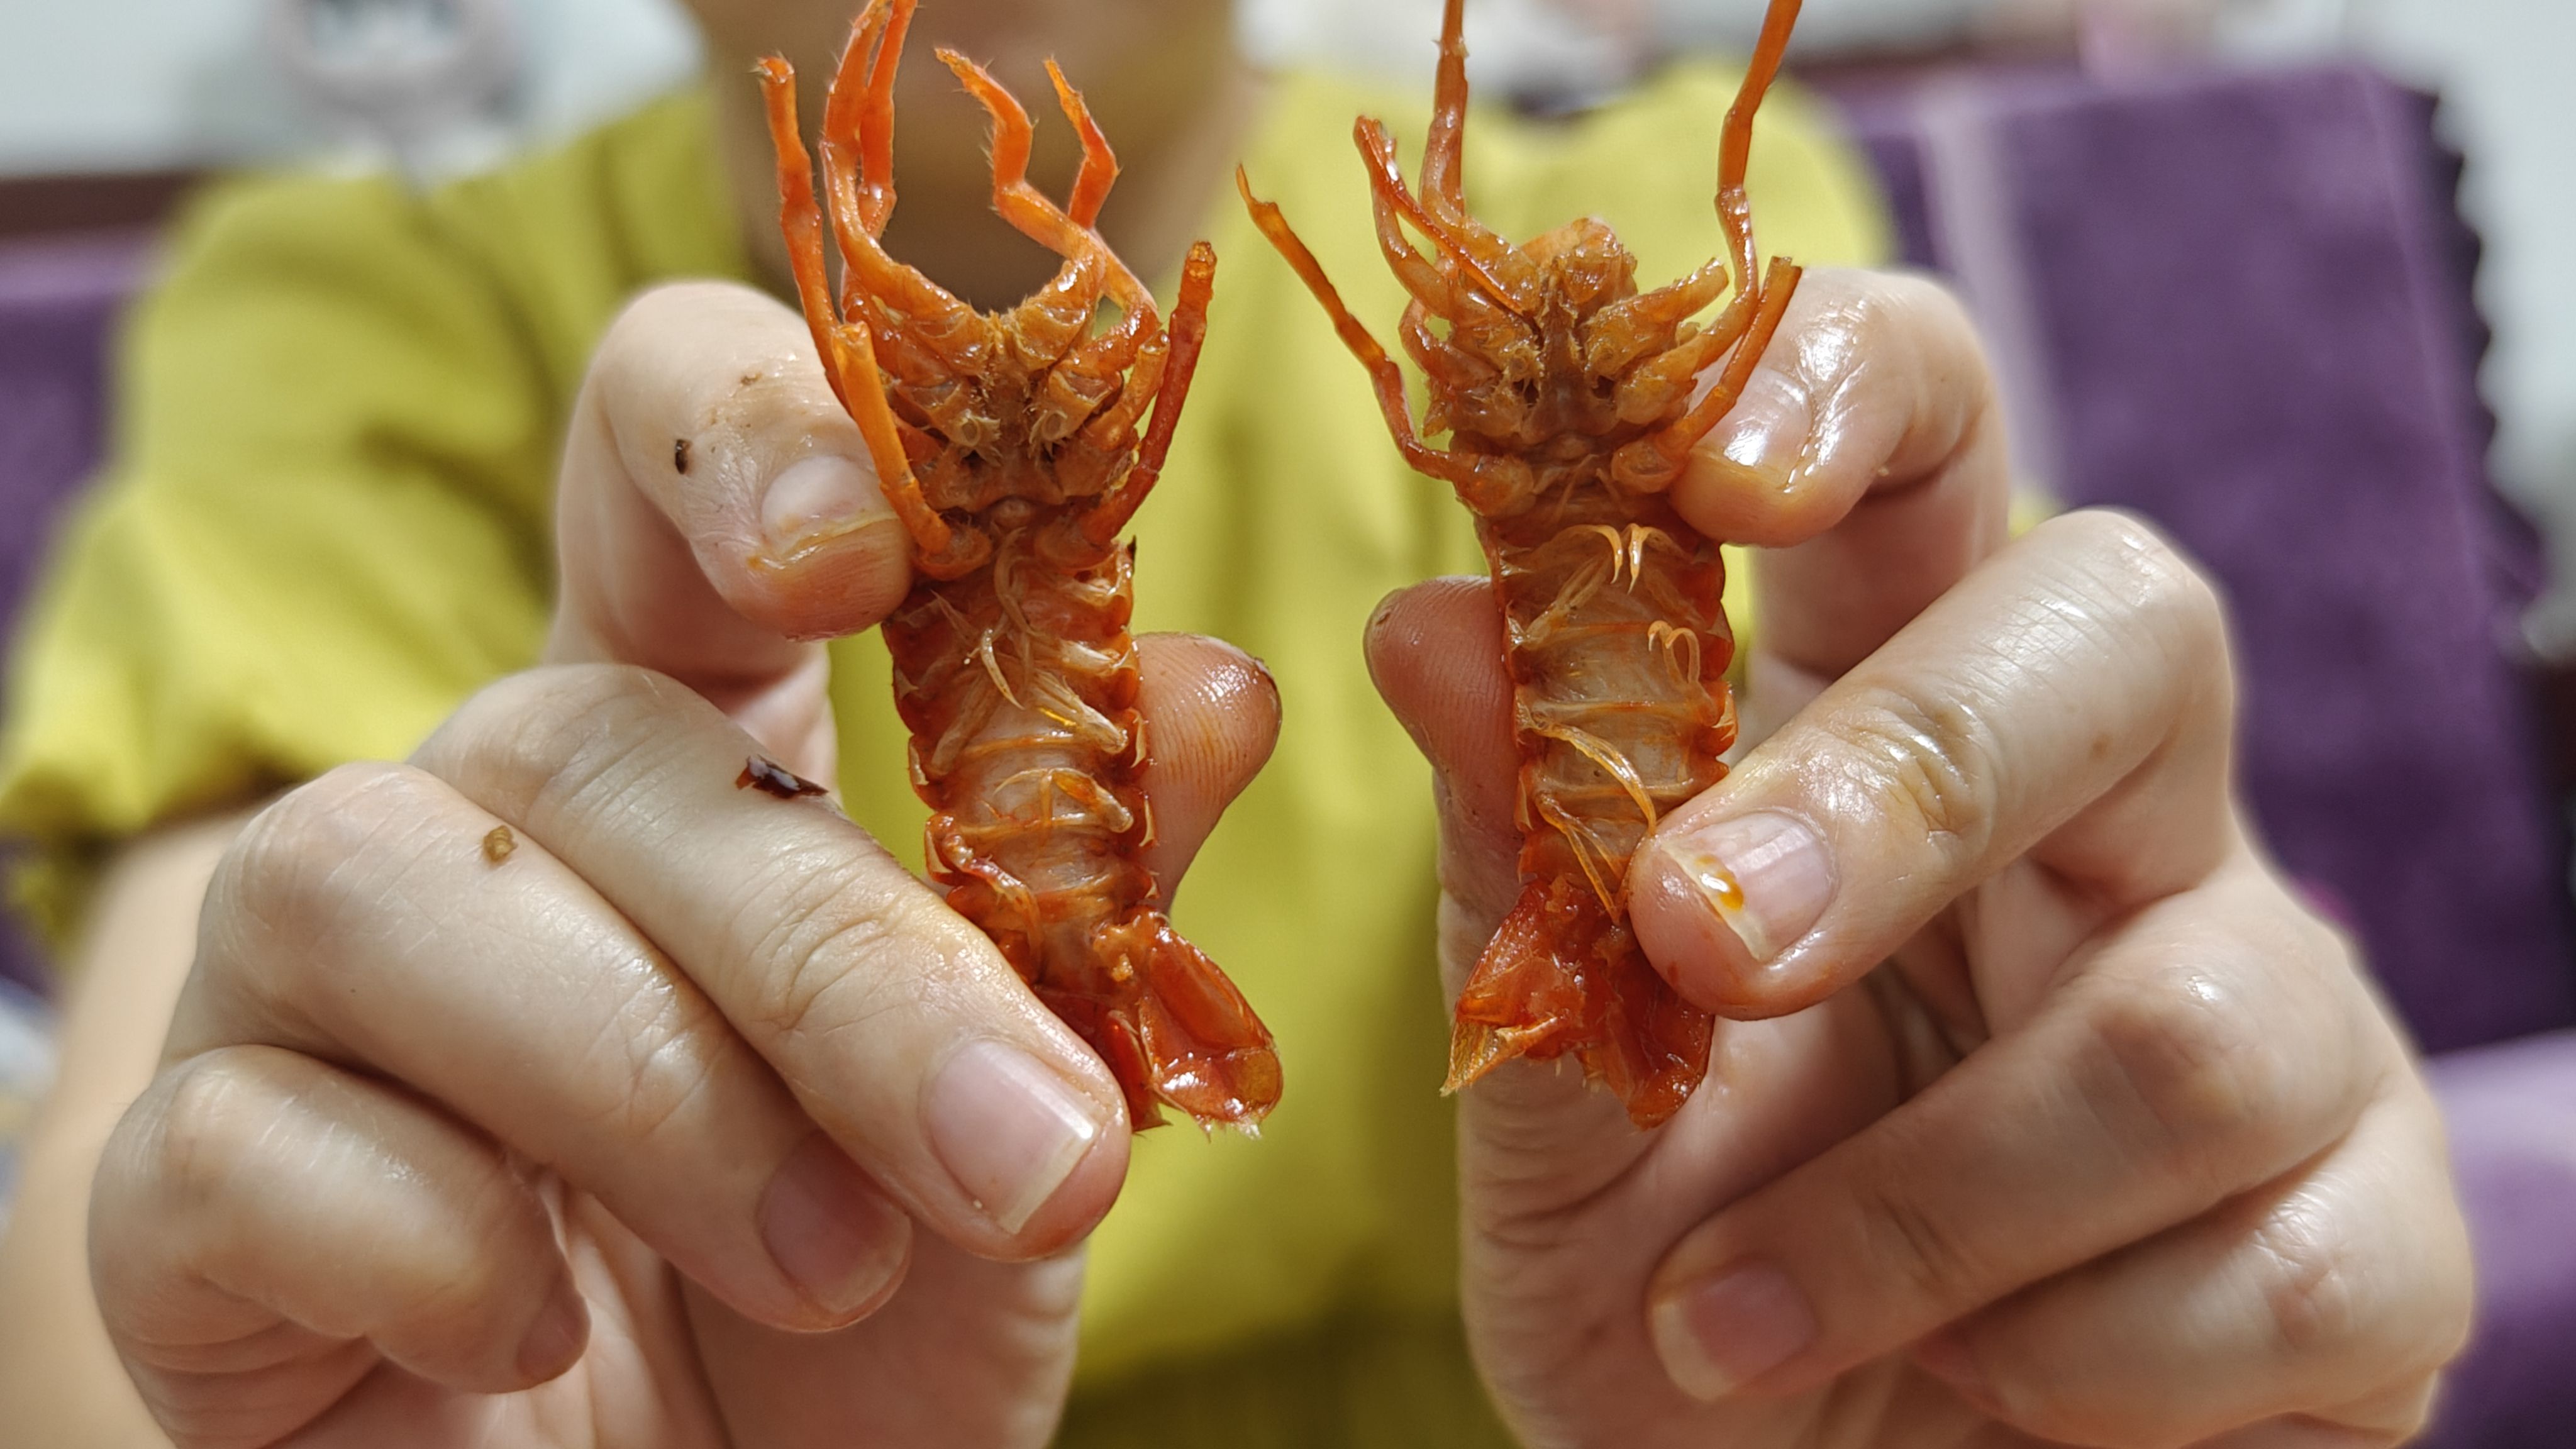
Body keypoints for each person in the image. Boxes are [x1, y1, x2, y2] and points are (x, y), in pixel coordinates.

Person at [0, 0, 2472, 1443]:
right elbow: (142, 1200)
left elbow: (1980, 849)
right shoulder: (379, 327)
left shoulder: (1639, 215)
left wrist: (2050, 1201)